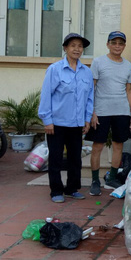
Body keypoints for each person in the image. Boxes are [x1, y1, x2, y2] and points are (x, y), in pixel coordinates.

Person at [38, 33, 93, 203]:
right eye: (73, 46)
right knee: (55, 158)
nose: (77, 49)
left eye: (80, 46)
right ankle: (56, 190)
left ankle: (72, 188)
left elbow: (90, 97)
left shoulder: (86, 72)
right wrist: (47, 120)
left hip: (77, 123)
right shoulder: (55, 69)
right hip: (57, 123)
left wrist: (87, 118)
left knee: (75, 158)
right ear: (65, 48)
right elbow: (46, 95)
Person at [85, 31, 131, 196]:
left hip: (121, 111)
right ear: (108, 44)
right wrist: (92, 112)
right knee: (98, 145)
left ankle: (112, 178)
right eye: (114, 43)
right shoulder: (98, 62)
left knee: (118, 145)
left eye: (120, 43)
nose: (117, 46)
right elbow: (91, 88)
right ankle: (94, 180)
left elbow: (128, 91)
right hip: (101, 111)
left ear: (124, 46)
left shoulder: (127, 65)